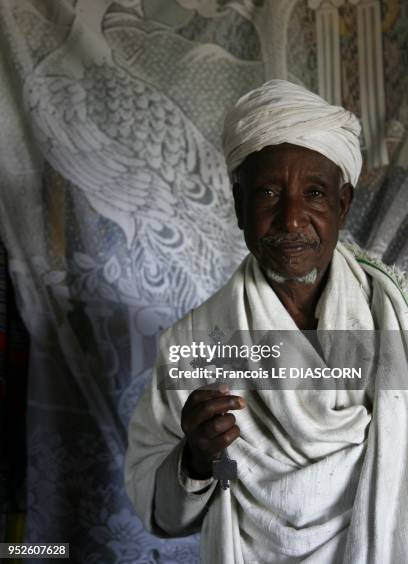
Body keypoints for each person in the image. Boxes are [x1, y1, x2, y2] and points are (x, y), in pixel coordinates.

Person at [125, 80, 408, 563]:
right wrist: (196, 458)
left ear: (342, 205)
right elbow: (162, 515)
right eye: (269, 194)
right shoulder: (195, 344)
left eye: (314, 193)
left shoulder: (395, 321)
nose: (291, 219)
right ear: (239, 206)